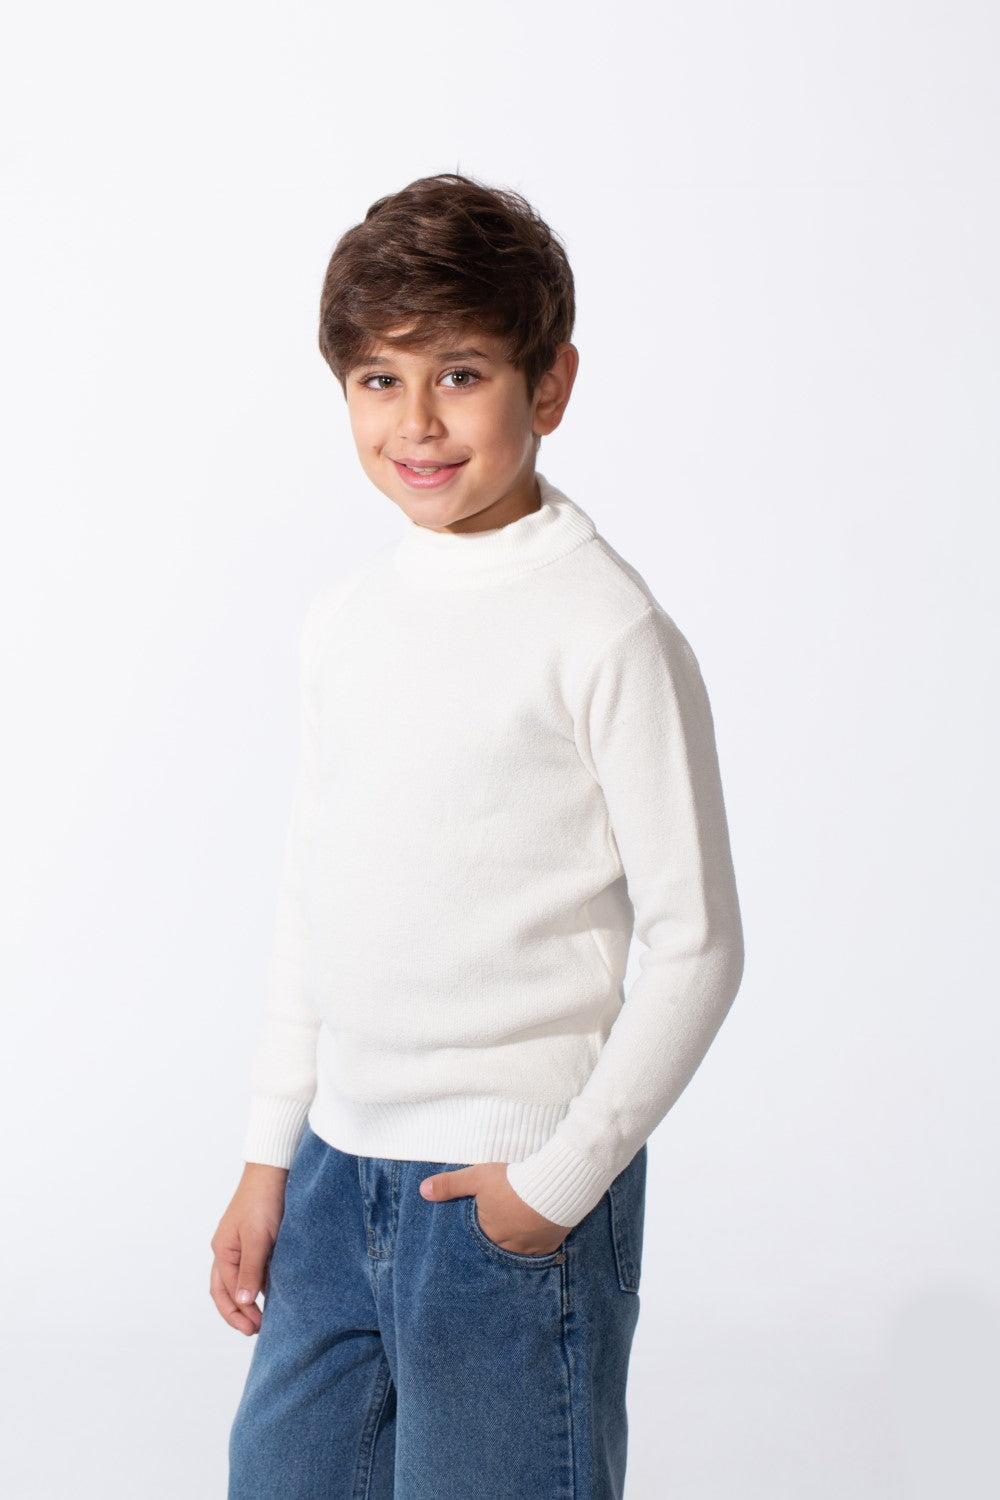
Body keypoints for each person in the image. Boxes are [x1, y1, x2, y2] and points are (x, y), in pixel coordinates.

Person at [211, 171, 745, 1500]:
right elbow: (313, 897)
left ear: (549, 385)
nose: (417, 421)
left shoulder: (605, 630)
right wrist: (270, 1152)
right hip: (333, 1175)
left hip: (506, 1190)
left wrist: (555, 1185)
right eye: (379, 380)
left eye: (460, 374)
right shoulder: (348, 620)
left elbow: (698, 946)